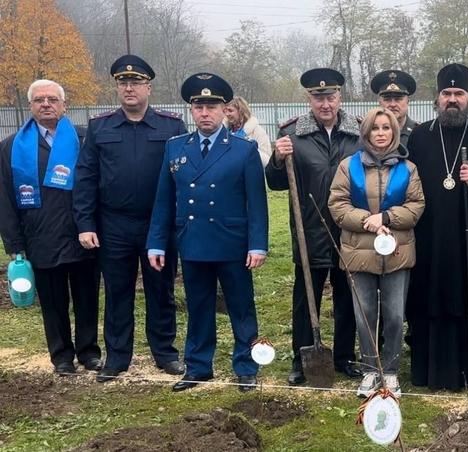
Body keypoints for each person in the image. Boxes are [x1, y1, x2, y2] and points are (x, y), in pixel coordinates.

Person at [146, 73, 268, 392]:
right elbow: (164, 200)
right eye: (199, 107)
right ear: (191, 110)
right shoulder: (175, 147)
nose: (205, 113)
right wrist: (156, 242)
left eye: (211, 107)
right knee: (198, 306)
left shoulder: (243, 149)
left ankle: (246, 366)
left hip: (233, 242)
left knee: (241, 307)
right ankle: (198, 366)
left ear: (224, 110)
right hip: (193, 240)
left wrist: (258, 245)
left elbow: (257, 203)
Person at [73, 55, 186, 382]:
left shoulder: (171, 127)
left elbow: (183, 177)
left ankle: (165, 353)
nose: (129, 88)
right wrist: (85, 224)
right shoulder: (100, 126)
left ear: (148, 87)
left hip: (157, 224)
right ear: (117, 88)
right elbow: (85, 177)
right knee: (117, 291)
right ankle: (117, 357)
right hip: (114, 225)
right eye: (123, 82)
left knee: (161, 289)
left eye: (136, 82)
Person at [406, 63, 468, 390]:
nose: (451, 99)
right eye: (446, 93)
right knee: (428, 293)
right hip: (429, 236)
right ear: (437, 98)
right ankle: (429, 370)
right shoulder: (420, 136)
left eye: (458, 93)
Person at [266, 68, 362, 385]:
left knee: (347, 297)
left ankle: (345, 356)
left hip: (348, 230)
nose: (325, 104)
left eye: (330, 97)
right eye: (318, 98)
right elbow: (275, 182)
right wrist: (277, 159)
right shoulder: (293, 134)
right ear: (309, 99)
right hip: (309, 231)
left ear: (339, 97)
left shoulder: (357, 134)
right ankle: (301, 358)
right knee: (306, 299)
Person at [0, 80, 101, 376]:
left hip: (83, 234)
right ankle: (61, 355)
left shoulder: (85, 140)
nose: (46, 104)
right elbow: (4, 198)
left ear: (64, 105)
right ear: (30, 106)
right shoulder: (10, 147)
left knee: (87, 297)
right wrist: (14, 243)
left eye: (52, 99)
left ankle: (89, 351)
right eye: (39, 100)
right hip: (40, 236)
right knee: (53, 302)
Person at [328, 107, 425, 397]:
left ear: (394, 132)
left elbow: (416, 206)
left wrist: (386, 218)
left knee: (394, 315)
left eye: (386, 128)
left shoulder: (408, 169)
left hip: (397, 253)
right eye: (375, 128)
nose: (380, 133)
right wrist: (366, 221)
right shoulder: (348, 167)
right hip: (359, 253)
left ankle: (391, 371)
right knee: (365, 315)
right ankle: (371, 370)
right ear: (366, 132)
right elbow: (337, 205)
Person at [370, 70, 418, 146]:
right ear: (379, 102)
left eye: (398, 99)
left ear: (408, 101)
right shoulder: (368, 132)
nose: (393, 104)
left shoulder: (419, 132)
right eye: (387, 99)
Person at [223, 95, 273, 167]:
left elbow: (267, 162)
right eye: (225, 111)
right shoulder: (224, 132)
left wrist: (247, 147)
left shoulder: (257, 131)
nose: (227, 114)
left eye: (230, 111)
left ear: (241, 111)